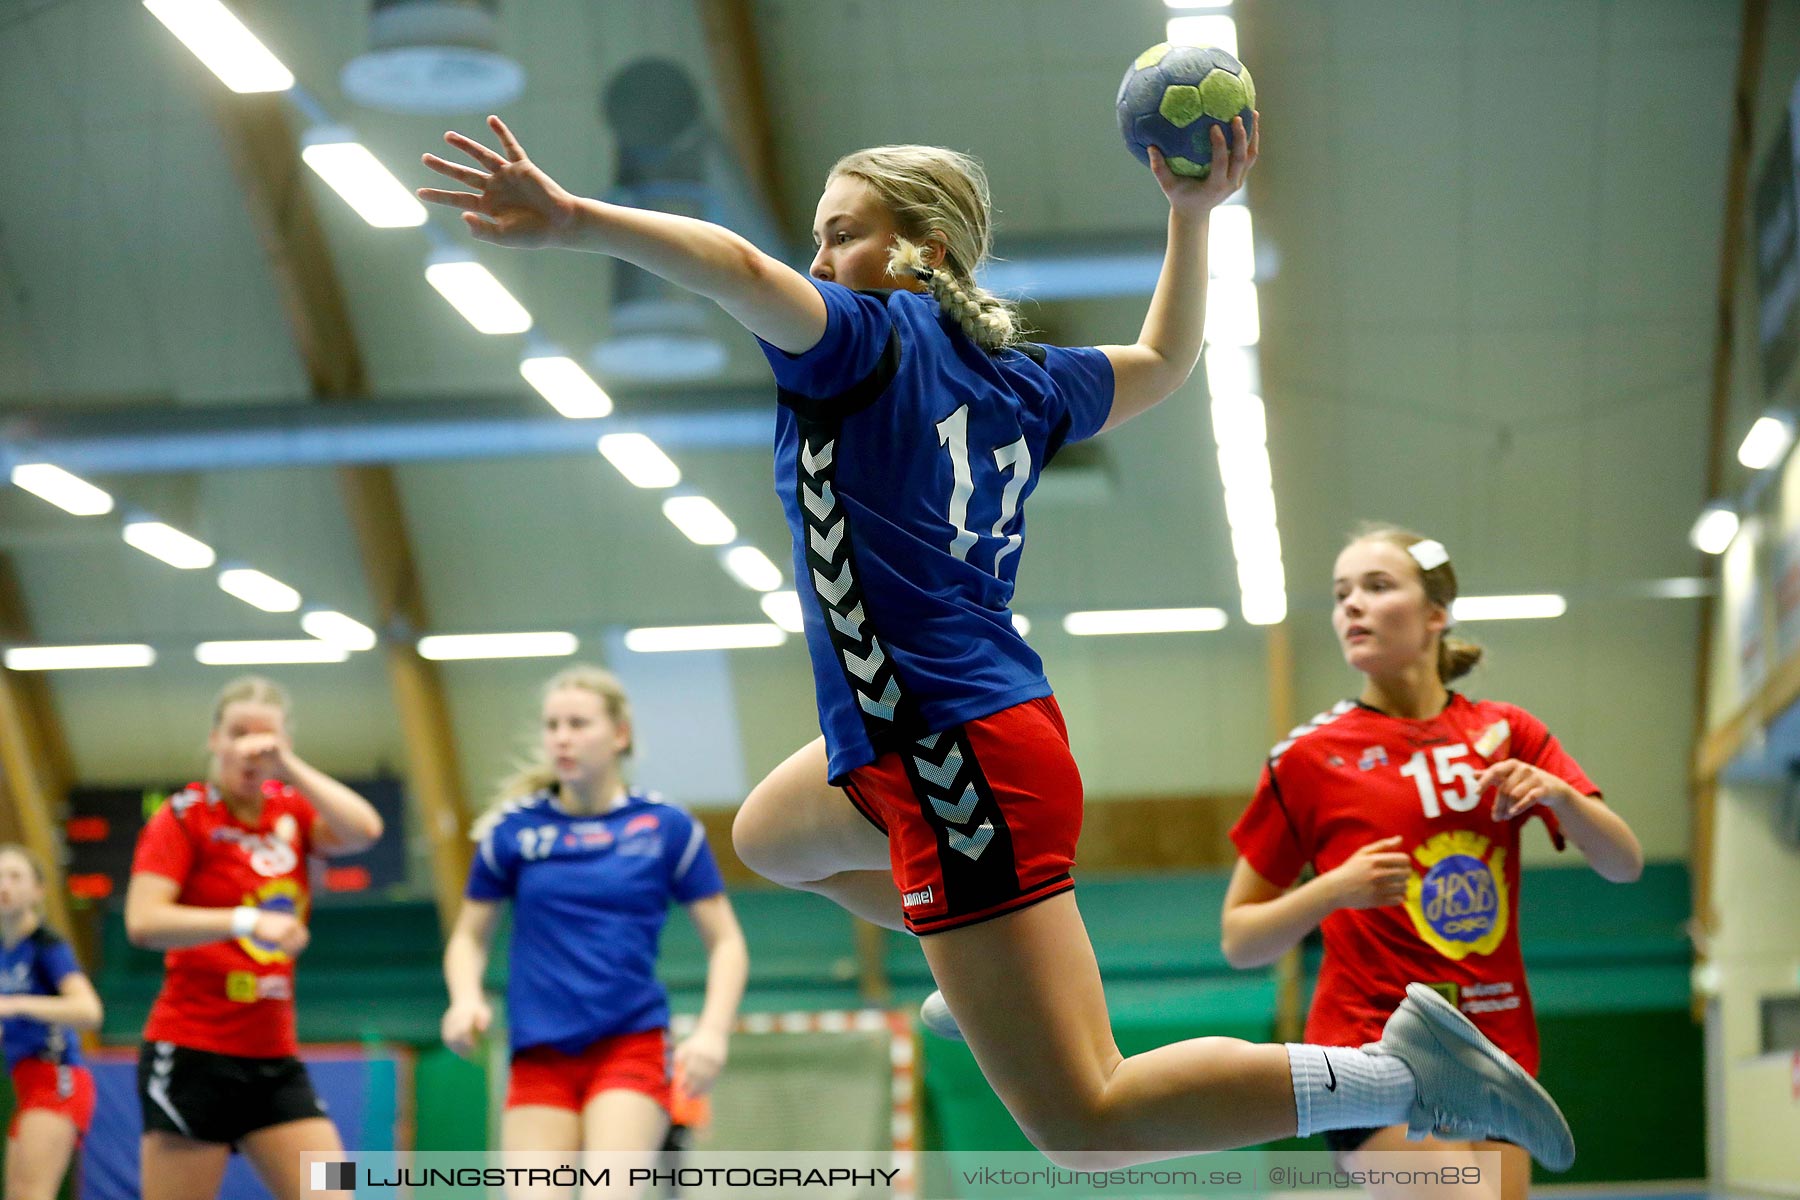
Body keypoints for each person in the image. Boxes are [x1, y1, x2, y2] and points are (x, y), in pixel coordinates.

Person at [418, 112, 1573, 1170]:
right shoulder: (1023, 377)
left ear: (919, 248)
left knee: (1088, 1123)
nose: (819, 262)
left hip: (954, 757)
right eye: (819, 242)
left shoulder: (861, 342)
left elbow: (735, 268)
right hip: (935, 741)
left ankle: (1404, 1073)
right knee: (771, 832)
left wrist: (577, 221)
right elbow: (1165, 364)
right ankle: (960, 963)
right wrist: (1191, 214)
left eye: (842, 235)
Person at [1222, 527, 1644, 1199]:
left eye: (1377, 587)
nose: (1352, 606)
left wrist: (1563, 798)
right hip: (1371, 1051)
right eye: (1340, 594)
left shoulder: (1507, 732)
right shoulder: (1308, 759)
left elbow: (1625, 864)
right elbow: (1241, 940)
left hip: (1496, 1056)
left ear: (1436, 614)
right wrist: (1332, 889)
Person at [440, 666, 747, 1169]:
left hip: (631, 1044)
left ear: (619, 735)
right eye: (552, 725)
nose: (562, 738)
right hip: (538, 1052)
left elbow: (726, 943)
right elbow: (469, 939)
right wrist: (465, 999)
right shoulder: (512, 832)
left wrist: (713, 1032)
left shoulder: (665, 827)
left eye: (578, 724)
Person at [124, 676, 385, 1200]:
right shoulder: (184, 817)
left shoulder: (290, 810)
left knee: (340, 1190)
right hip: (194, 1051)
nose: (251, 750)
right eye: (239, 733)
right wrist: (244, 921)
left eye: (266, 740)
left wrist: (287, 767)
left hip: (273, 1059)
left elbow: (365, 830)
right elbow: (144, 922)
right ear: (214, 739)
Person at [0, 844, 103, 1200]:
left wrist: (16, 1005)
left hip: (57, 1077)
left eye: (15, 876)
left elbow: (89, 1011)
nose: (4, 886)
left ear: (38, 890)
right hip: (23, 1080)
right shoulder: (3, 950)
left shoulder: (47, 946)